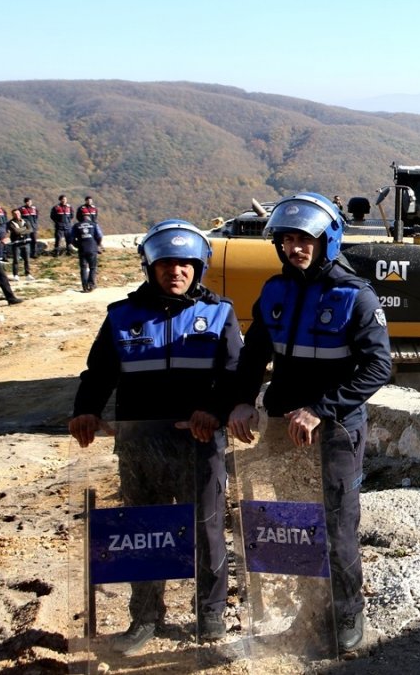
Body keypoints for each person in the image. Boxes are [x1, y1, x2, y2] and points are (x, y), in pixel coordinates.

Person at [227, 192, 391, 654]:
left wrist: (321, 408)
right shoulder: (274, 291)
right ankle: (309, 611)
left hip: (335, 430)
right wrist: (242, 402)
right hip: (283, 426)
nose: (295, 248)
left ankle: (346, 618)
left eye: (305, 239)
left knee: (336, 526)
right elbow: (255, 354)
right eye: (287, 239)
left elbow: (378, 367)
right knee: (296, 524)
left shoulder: (353, 295)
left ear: (327, 240)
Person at [69, 220, 242, 656]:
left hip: (199, 443)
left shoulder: (220, 313)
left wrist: (216, 411)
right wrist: (85, 410)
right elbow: (98, 374)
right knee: (145, 531)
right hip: (139, 445)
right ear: (150, 266)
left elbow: (236, 377)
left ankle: (211, 612)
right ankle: (145, 616)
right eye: (166, 263)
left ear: (199, 267)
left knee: (206, 529)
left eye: (185, 263)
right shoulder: (121, 315)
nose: (176, 271)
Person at [71, 210, 104, 292]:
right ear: (89, 216)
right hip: (92, 248)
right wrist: (98, 245)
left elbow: (71, 239)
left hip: (82, 249)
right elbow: (100, 236)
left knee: (83, 268)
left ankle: (85, 287)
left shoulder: (76, 226)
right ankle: (91, 285)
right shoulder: (94, 224)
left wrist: (77, 245)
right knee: (93, 267)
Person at [7, 208, 33, 278]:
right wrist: (25, 228)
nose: (17, 215)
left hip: (26, 242)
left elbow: (30, 230)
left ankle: (28, 274)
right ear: (12, 215)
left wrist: (20, 230)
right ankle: (15, 274)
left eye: (18, 213)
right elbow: (15, 231)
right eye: (15, 214)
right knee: (16, 260)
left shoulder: (26, 220)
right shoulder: (10, 223)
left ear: (20, 213)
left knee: (27, 259)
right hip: (16, 243)